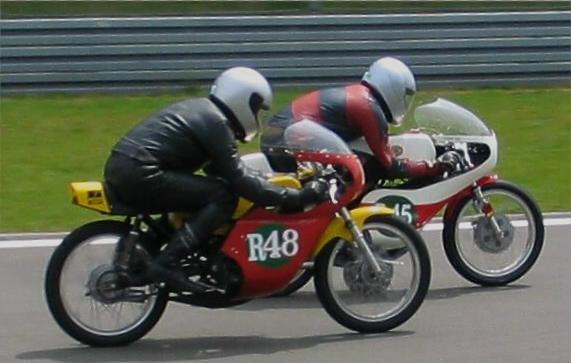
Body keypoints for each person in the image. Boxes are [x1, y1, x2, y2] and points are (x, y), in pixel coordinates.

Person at [104, 67, 325, 291]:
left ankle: (151, 251)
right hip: (140, 171)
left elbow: (223, 171)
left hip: (125, 166)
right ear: (242, 100)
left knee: (199, 194)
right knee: (223, 196)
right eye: (256, 109)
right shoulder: (216, 123)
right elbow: (240, 181)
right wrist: (293, 196)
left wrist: (270, 179)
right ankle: (167, 263)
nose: (256, 116)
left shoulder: (205, 111)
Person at [261, 57, 458, 186]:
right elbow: (390, 166)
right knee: (368, 169)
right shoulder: (367, 106)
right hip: (285, 140)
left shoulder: (361, 97)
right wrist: (433, 167)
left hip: (279, 135)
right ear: (394, 88)